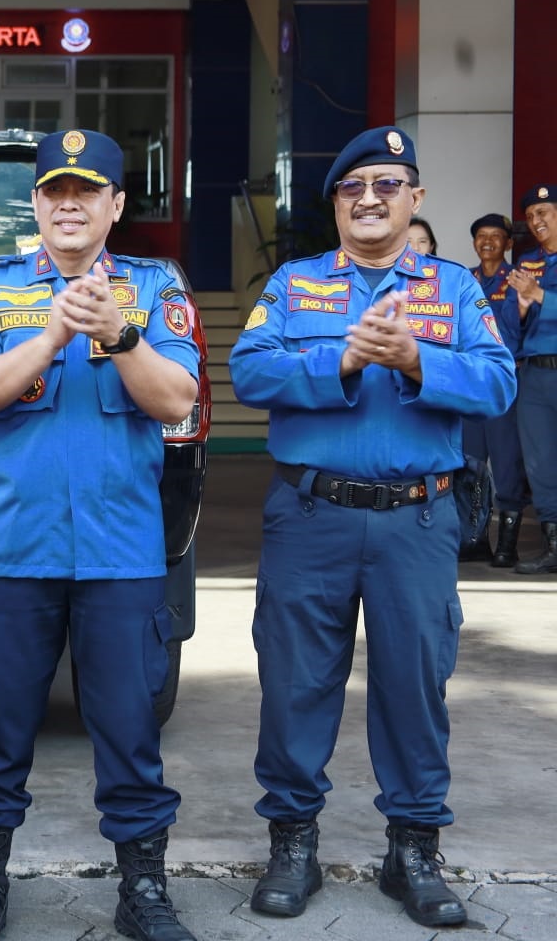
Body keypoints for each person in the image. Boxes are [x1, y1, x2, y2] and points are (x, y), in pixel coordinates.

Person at [229, 127, 515, 927]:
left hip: (417, 521)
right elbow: (249, 369)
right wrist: (343, 363)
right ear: (336, 206)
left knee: (414, 686)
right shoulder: (294, 284)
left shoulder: (453, 290)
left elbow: (497, 385)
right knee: (293, 683)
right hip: (310, 515)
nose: (369, 199)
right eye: (353, 188)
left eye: (387, 185)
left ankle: (413, 849)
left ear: (414, 199)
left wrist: (418, 361)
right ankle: (292, 844)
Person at [0, 129, 202, 941]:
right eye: (55, 190)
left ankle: (143, 890)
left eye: (87, 191)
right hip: (14, 553)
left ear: (116, 205)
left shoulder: (156, 291)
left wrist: (120, 335)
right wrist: (52, 334)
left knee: (129, 728)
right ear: (35, 204)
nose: (68, 204)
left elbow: (177, 400)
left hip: (122, 556)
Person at [460, 213, 528, 565]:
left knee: (505, 465)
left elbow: (509, 334)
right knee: (471, 464)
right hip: (472, 386)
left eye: (496, 236)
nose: (488, 242)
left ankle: (506, 546)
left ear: (508, 243)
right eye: (481, 236)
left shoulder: (514, 280)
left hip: (501, 385)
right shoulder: (465, 280)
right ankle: (475, 539)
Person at [508, 182, 557, 573]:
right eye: (530, 216)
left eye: (544, 213)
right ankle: (553, 545)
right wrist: (522, 308)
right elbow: (509, 326)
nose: (536, 221)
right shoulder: (526, 265)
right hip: (536, 375)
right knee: (540, 464)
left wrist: (541, 297)